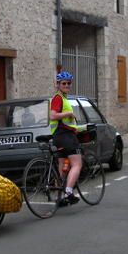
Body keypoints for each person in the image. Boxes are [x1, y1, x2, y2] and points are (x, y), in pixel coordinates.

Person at [50, 70, 82, 206]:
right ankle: (69, 192)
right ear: (58, 85)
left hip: (59, 135)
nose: (67, 85)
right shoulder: (58, 98)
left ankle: (60, 197)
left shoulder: (63, 98)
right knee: (77, 164)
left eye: (69, 83)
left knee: (62, 166)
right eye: (64, 83)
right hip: (65, 136)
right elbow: (52, 116)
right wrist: (68, 113)